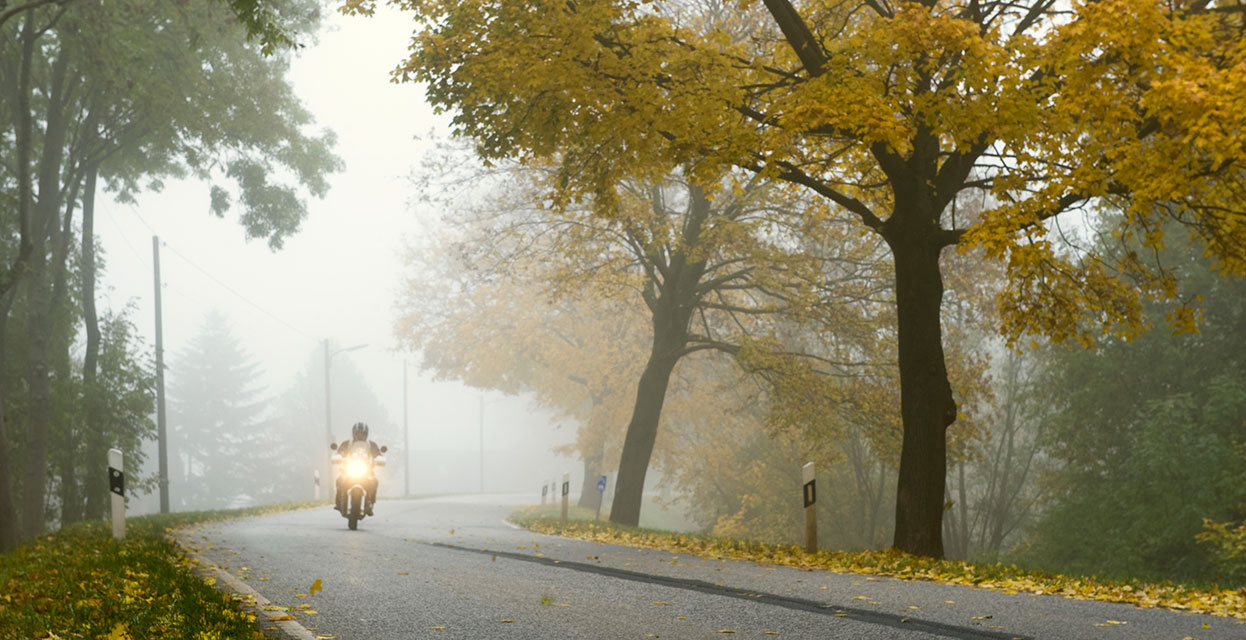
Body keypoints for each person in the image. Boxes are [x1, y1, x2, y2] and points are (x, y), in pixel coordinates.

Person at [333, 421, 385, 516]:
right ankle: (339, 503)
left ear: (366, 434)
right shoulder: (347, 443)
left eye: (362, 433)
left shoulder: (370, 444)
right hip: (348, 470)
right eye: (358, 433)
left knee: (374, 481)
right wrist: (338, 456)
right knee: (339, 480)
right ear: (354, 433)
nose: (360, 435)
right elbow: (340, 452)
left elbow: (377, 454)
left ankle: (370, 503)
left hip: (367, 471)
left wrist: (380, 458)